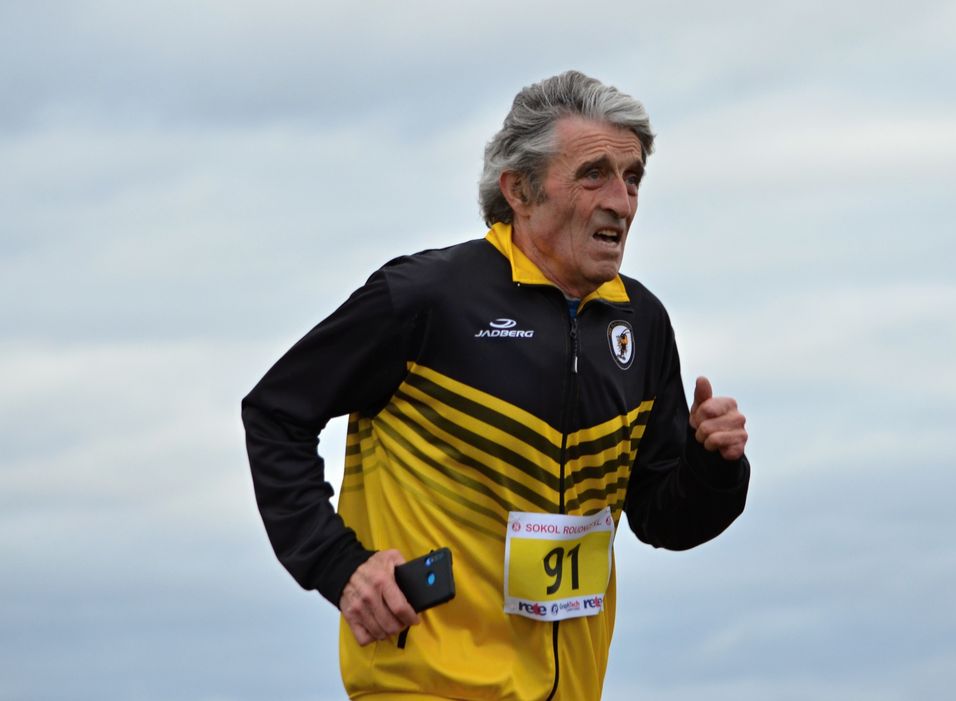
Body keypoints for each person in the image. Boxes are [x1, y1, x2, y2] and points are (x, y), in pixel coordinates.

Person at [242, 70, 750, 701]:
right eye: (593, 174)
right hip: (424, 684)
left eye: (633, 178)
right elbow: (275, 413)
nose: (621, 202)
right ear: (520, 190)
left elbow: (660, 518)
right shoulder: (427, 299)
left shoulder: (640, 323)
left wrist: (712, 465)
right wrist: (339, 566)